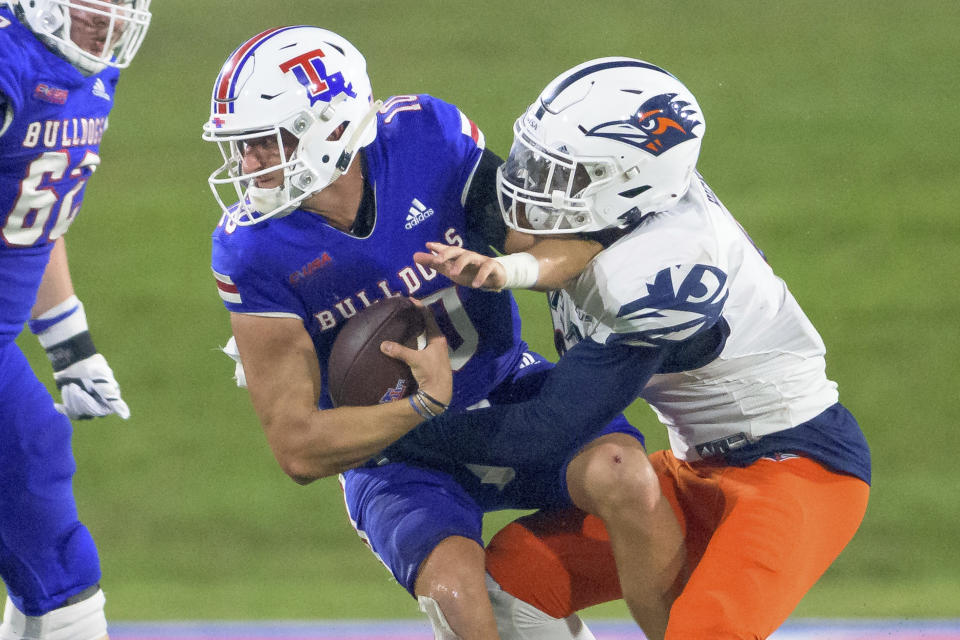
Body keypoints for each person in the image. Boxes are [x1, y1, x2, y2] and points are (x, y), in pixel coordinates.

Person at [203, 28, 683, 640]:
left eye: (267, 143)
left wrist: (523, 267)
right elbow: (297, 449)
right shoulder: (250, 249)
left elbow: (527, 237)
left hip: (503, 383)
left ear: (328, 124)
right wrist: (421, 405)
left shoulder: (425, 136)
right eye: (243, 147)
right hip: (392, 451)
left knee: (629, 476)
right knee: (459, 594)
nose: (249, 166)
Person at [390, 57, 873, 638]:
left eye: (564, 175)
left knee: (705, 632)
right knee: (511, 584)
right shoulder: (627, 213)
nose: (533, 184)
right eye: (537, 159)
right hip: (699, 465)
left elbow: (545, 430)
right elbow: (500, 215)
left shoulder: (666, 264)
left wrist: (382, 432)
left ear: (632, 184)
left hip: (797, 466)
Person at [0, 1, 151, 639]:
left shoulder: (90, 72)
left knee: (56, 558)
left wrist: (70, 343)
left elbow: (37, 213)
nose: (109, 17)